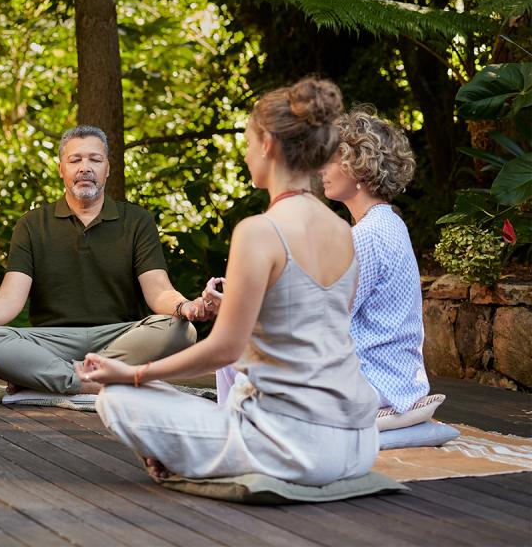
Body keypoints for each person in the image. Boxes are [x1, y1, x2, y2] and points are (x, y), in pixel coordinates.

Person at [79, 78, 379, 486]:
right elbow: (312, 326)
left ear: (269, 144)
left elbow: (223, 349)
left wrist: (132, 374)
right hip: (359, 444)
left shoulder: (260, 230)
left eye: (248, 140)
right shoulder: (343, 230)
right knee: (158, 392)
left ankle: (193, 461)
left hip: (293, 447)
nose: (246, 152)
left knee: (118, 397)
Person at [0, 125, 216, 397]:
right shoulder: (32, 224)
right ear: (61, 169)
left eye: (95, 159)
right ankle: (95, 380)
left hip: (120, 337)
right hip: (51, 342)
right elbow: (9, 299)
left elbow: (158, 290)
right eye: (75, 159)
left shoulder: (137, 221)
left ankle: (55, 380)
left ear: (107, 170)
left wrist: (185, 307)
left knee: (180, 329)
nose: (85, 167)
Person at [322, 105, 429, 413]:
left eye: (331, 160)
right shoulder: (390, 222)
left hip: (373, 381)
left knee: (241, 354)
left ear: (360, 168)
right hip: (398, 378)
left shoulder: (367, 235)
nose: (322, 171)